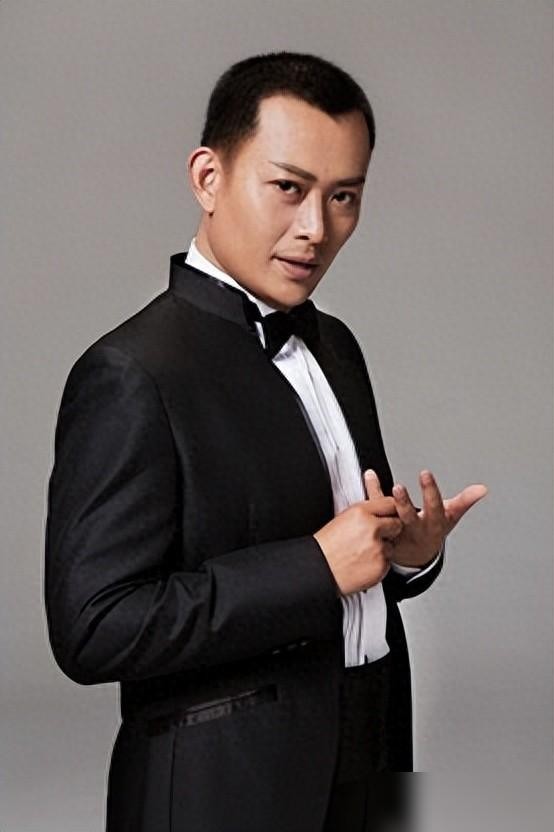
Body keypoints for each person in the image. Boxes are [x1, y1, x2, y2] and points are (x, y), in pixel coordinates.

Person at [44, 51, 487, 832]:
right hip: (226, 787)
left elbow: (353, 571)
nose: (316, 229)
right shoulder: (129, 373)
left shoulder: (337, 346)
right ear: (208, 178)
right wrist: (315, 566)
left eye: (344, 196)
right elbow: (93, 629)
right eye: (289, 188)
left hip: (374, 744)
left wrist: (406, 557)